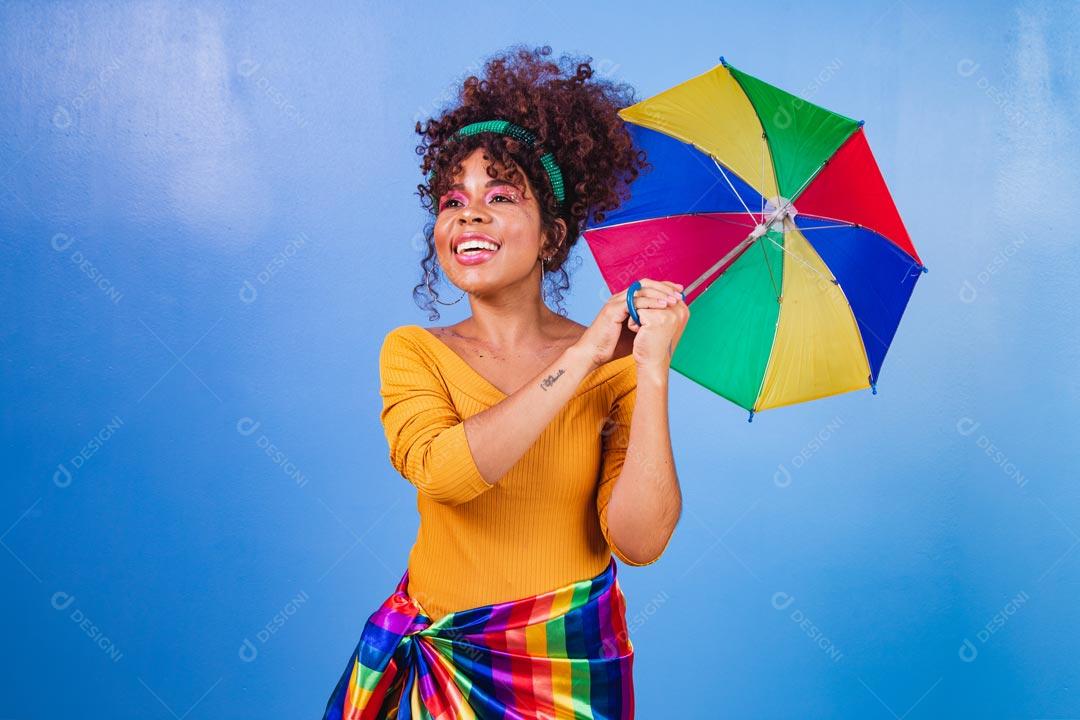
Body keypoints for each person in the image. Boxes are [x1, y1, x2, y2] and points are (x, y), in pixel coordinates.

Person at [323, 45, 687, 719]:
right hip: (444, 657)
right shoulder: (414, 352)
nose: (469, 215)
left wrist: (651, 368)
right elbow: (446, 472)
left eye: (500, 197)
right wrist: (579, 359)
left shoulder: (618, 366)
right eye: (452, 200)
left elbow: (639, 542)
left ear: (553, 235)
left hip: (571, 663)